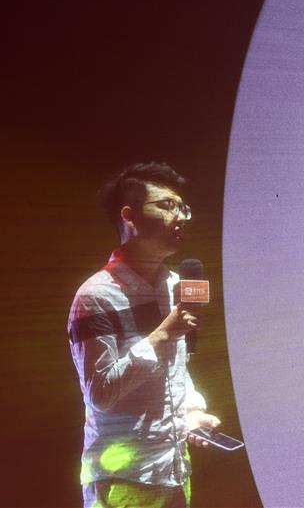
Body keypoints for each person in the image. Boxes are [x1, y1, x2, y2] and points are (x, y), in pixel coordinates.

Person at [68, 162, 221, 508]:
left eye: (183, 208)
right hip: (125, 476)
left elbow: (175, 368)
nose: (180, 217)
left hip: (174, 467)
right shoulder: (96, 295)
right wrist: (162, 335)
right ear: (129, 216)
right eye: (167, 206)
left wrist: (191, 411)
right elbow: (100, 392)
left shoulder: (174, 285)